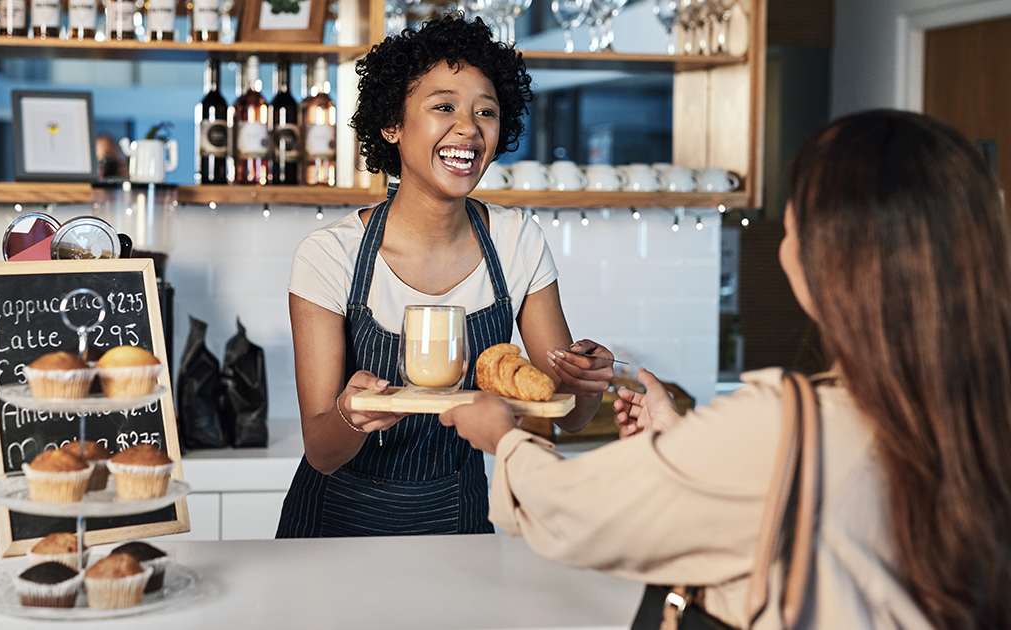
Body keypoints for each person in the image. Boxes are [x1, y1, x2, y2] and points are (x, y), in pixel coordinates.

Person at [440, 110, 1011, 629]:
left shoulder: (785, 422)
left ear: (831, 258)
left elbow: (575, 510)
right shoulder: (979, 411)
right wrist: (686, 445)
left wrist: (504, 440)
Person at [276, 14, 615, 538]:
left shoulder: (516, 242)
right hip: (334, 529)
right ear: (391, 123)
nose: (469, 128)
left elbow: (564, 414)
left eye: (486, 112)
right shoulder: (331, 256)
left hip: (459, 521)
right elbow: (321, 450)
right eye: (443, 107)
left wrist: (586, 382)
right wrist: (351, 414)